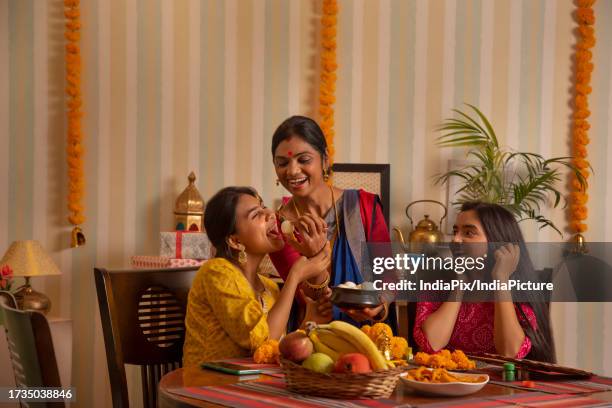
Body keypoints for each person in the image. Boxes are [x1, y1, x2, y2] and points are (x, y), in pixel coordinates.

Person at [268, 115, 394, 327]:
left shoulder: (364, 205)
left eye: (304, 160)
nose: (292, 171)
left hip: (370, 333)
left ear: (325, 159)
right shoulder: (280, 228)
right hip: (314, 337)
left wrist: (380, 306)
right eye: (282, 163)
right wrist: (315, 255)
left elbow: (388, 273)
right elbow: (304, 296)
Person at [182, 186, 331, 366]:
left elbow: (273, 349)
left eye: (263, 207)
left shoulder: (269, 287)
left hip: (255, 386)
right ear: (235, 241)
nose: (269, 213)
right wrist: (295, 276)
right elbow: (261, 341)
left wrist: (311, 318)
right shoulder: (216, 272)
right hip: (208, 387)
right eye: (256, 214)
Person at [413, 202, 556, 362]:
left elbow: (510, 353)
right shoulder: (437, 282)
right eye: (455, 231)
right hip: (446, 382)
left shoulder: (520, 289)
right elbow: (432, 344)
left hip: (502, 386)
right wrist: (459, 284)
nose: (456, 240)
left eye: (469, 233)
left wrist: (501, 281)